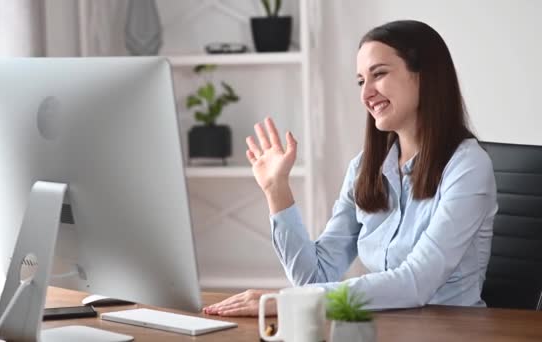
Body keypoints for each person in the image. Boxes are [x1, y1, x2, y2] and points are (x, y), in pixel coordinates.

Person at [203, 20, 498, 317]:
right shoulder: (364, 168)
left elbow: (416, 283)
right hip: (386, 331)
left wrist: (289, 300)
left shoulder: (467, 167)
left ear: (424, 76)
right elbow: (315, 279)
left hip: (454, 331)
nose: (366, 94)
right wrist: (276, 190)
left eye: (379, 74)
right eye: (360, 81)